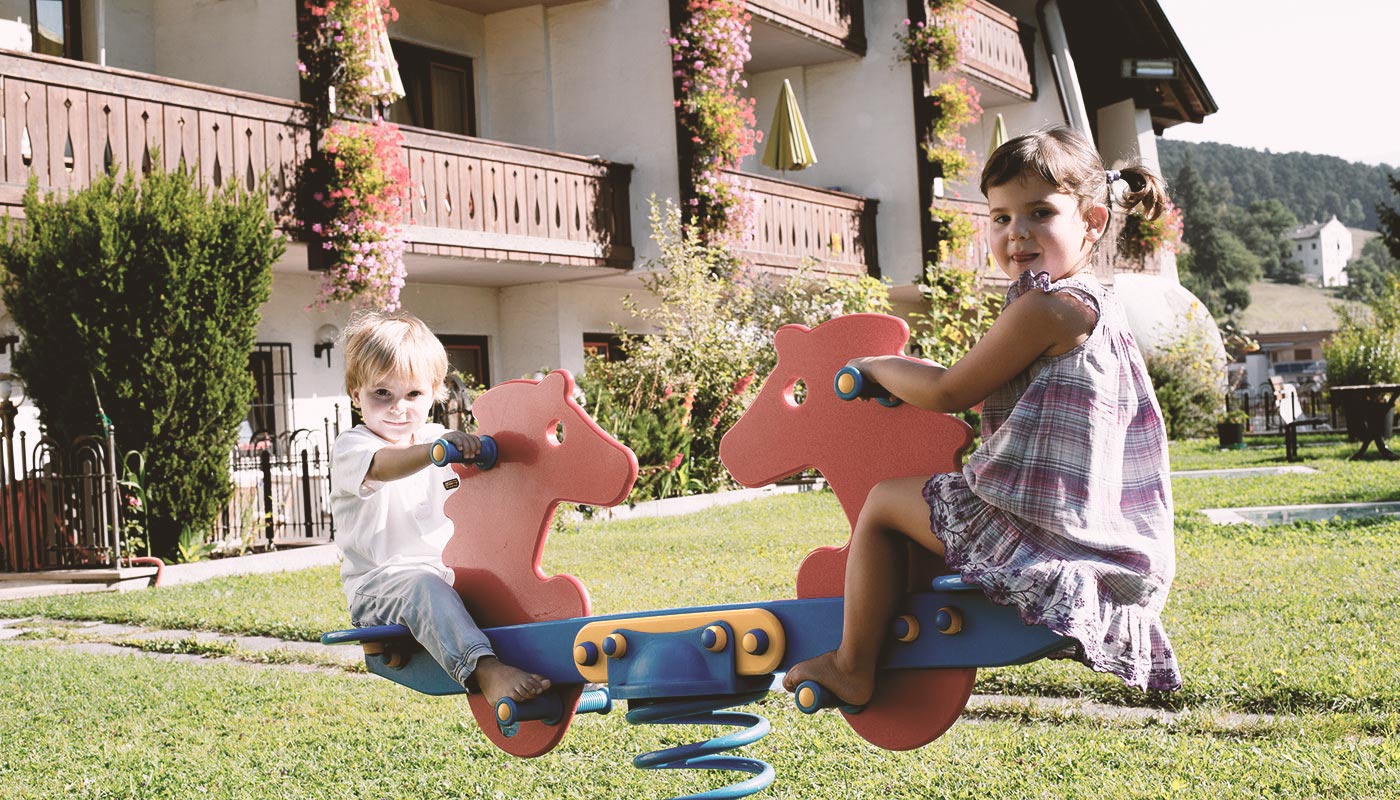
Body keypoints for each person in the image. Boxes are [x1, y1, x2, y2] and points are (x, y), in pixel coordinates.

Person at [783, 125, 1182, 704]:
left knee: (882, 503)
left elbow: (949, 391)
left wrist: (877, 366)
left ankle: (852, 664)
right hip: (1091, 533)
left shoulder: (1044, 309)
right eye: (999, 217)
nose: (1016, 233)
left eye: (1039, 212)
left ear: (1092, 222)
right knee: (916, 503)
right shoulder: (1097, 303)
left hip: (1043, 532)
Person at [330, 310, 550, 707]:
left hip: (445, 575)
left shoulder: (436, 438)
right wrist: (438, 451)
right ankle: (485, 670)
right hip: (379, 587)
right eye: (382, 394)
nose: (399, 408)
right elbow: (384, 465)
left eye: (413, 394)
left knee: (503, 578)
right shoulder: (354, 446)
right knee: (422, 586)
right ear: (354, 393)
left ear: (435, 392)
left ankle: (555, 657)